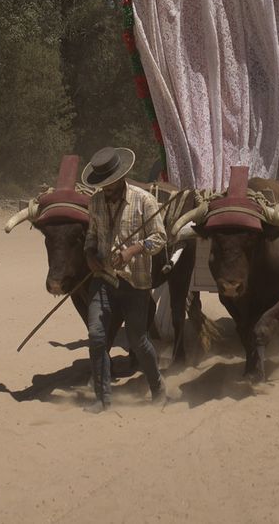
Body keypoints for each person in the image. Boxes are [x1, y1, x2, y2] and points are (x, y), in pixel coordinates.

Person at [80, 146, 166, 413]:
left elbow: (160, 238)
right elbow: (91, 237)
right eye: (102, 184)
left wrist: (133, 250)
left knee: (137, 340)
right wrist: (89, 255)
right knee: (96, 335)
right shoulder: (95, 202)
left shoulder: (144, 201)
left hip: (135, 282)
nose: (106, 188)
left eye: (109, 183)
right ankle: (102, 398)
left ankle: (158, 388)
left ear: (120, 177)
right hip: (104, 278)